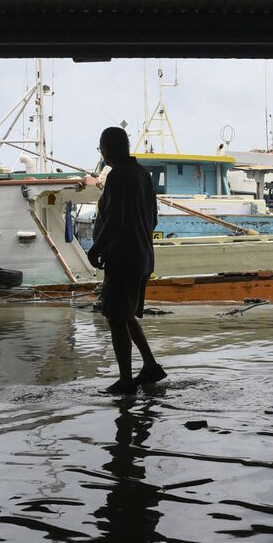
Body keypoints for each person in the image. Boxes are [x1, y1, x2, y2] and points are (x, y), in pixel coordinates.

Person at [88, 126, 167, 395]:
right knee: (126, 314)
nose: (102, 152)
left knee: (115, 316)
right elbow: (152, 219)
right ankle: (150, 366)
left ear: (109, 148)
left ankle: (126, 380)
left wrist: (95, 248)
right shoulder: (143, 175)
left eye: (102, 147)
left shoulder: (119, 176)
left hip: (124, 258)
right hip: (143, 256)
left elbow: (115, 218)